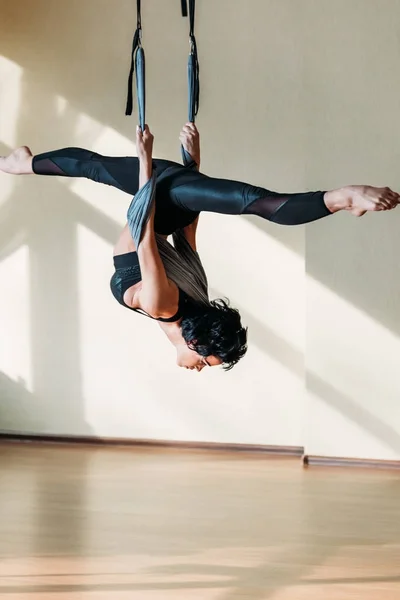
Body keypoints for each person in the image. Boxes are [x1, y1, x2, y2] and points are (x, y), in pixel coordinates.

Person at [1, 124, 399, 371]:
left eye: (211, 362)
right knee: (257, 203)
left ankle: (22, 162)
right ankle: (344, 197)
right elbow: (144, 232)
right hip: (156, 197)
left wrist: (186, 169)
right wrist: (155, 168)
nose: (202, 368)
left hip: (164, 197)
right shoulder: (165, 306)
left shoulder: (183, 305)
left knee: (253, 201)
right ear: (194, 341)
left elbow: (173, 237)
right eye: (209, 361)